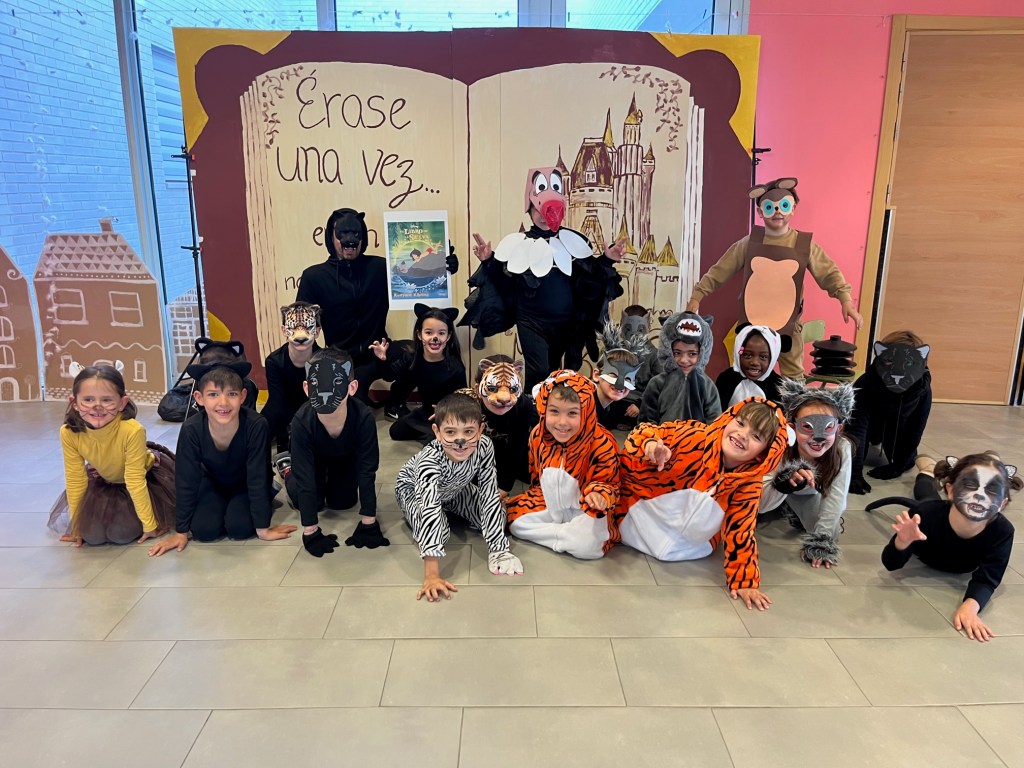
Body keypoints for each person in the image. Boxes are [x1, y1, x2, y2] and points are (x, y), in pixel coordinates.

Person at [617, 398, 791, 609]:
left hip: (691, 550)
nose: (742, 435)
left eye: (756, 436)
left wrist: (744, 582)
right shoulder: (695, 437)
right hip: (634, 521)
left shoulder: (749, 483)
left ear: (764, 452)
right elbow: (642, 431)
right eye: (740, 423)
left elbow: (741, 530)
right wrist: (650, 445)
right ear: (728, 419)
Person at [465, 166, 626, 390]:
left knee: (555, 372)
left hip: (566, 323)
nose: (543, 216)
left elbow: (590, 281)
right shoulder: (519, 243)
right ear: (530, 210)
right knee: (538, 371)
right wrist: (489, 260)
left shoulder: (574, 243)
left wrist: (607, 260)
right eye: (538, 210)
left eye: (550, 209)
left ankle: (551, 410)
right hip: (531, 321)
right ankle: (533, 408)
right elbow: (504, 285)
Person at [685, 177, 863, 378]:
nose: (777, 212)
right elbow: (719, 271)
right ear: (761, 212)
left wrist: (845, 301)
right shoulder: (749, 243)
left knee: (792, 377)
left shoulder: (804, 245)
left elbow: (829, 273)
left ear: (793, 208)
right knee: (747, 372)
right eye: (770, 207)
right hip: (753, 325)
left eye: (784, 206)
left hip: (789, 327)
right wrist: (697, 296)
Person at [296, 207, 457, 403]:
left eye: (355, 234)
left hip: (380, 352)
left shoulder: (381, 269)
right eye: (342, 234)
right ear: (331, 236)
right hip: (341, 359)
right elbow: (301, 324)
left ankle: (395, 403)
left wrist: (441, 266)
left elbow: (417, 278)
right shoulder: (314, 277)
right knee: (355, 409)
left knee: (414, 352)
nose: (349, 241)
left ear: (363, 236)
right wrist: (320, 357)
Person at [149, 351, 296, 555]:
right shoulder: (192, 429)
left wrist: (263, 528)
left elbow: (257, 475)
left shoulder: (256, 425)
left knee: (240, 528)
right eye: (213, 394)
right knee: (204, 531)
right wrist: (181, 531)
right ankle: (219, 507)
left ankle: (262, 500)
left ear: (242, 396)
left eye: (232, 394)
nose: (223, 403)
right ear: (199, 398)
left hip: (245, 483)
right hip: (212, 481)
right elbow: (186, 479)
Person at [871, 452, 1018, 642]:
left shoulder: (1002, 531)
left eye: (991, 490)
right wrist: (902, 542)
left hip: (958, 557)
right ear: (950, 490)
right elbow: (890, 564)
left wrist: (970, 606)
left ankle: (987, 458)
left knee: (928, 497)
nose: (980, 495)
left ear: (1002, 504)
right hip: (932, 516)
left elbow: (989, 578)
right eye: (970, 485)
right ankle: (927, 472)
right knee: (926, 494)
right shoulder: (924, 514)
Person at [396, 390, 524, 601]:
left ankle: (451, 511)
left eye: (468, 431)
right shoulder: (429, 461)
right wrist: (431, 575)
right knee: (440, 532)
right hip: (413, 491)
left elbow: (489, 493)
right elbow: (428, 507)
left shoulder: (484, 446)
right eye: (450, 432)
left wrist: (499, 550)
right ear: (437, 432)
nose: (460, 441)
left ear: (480, 430)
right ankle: (438, 522)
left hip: (455, 488)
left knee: (500, 517)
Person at [49, 362, 176, 546]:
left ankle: (144, 518)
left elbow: (134, 479)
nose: (97, 406)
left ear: (122, 403)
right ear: (74, 403)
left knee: (120, 535)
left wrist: (150, 525)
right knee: (91, 536)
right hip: (106, 480)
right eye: (88, 400)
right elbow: (75, 479)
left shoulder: (132, 430)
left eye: (106, 400)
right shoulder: (68, 432)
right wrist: (76, 527)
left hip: (145, 480)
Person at [281, 348, 388, 557]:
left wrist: (369, 522)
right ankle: (286, 469)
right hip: (313, 461)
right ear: (307, 388)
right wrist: (310, 531)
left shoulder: (363, 417)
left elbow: (367, 470)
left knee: (343, 502)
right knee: (310, 500)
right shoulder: (301, 421)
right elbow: (305, 478)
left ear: (352, 387)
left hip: (344, 458)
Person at [506, 370, 620, 559]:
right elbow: (536, 479)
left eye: (572, 413)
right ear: (544, 408)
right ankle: (566, 535)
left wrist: (599, 495)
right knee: (515, 523)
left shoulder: (602, 442)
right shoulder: (537, 435)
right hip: (549, 504)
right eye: (554, 411)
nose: (562, 422)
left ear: (586, 411)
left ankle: (566, 535)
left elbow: (611, 484)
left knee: (588, 547)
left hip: (584, 511)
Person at [759, 379, 854, 567]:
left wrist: (822, 540)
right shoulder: (781, 444)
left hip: (807, 494)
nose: (817, 438)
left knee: (831, 530)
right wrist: (784, 483)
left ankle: (791, 509)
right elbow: (760, 504)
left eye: (827, 427)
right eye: (808, 427)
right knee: (753, 514)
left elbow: (837, 496)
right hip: (773, 489)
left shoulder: (842, 448)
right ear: (792, 427)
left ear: (839, 429)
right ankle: (784, 505)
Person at [847, 330, 932, 494]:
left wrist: (898, 467)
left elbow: (916, 429)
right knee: (844, 451)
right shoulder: (866, 382)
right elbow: (857, 427)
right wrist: (854, 472)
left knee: (908, 460)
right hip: (871, 422)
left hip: (898, 424)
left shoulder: (922, 388)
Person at [371, 304, 468, 442]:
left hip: (447, 414)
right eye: (429, 333)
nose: (435, 338)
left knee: (434, 442)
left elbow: (463, 398)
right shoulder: (412, 358)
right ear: (419, 335)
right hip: (426, 412)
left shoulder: (455, 366)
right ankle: (428, 432)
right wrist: (382, 360)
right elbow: (389, 376)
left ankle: (435, 434)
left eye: (441, 333)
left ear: (448, 336)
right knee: (396, 432)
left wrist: (447, 411)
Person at [639, 310, 722, 425]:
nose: (683, 360)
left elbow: (715, 424)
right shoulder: (657, 383)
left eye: (692, 354)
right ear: (667, 351)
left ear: (702, 353)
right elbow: (646, 422)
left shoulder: (707, 386)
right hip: (661, 436)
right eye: (677, 353)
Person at [261, 302, 321, 453]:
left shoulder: (324, 361)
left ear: (317, 331)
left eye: (307, 327)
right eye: (293, 328)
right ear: (284, 330)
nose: (300, 335)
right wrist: (283, 441)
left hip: (313, 407)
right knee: (259, 431)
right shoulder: (274, 362)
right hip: (281, 406)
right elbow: (277, 404)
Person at [475, 355, 537, 496]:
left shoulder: (524, 406)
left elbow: (517, 448)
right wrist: (448, 413)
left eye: (513, 389)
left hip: (510, 450)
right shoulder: (469, 404)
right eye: (492, 388)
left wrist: (504, 487)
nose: (504, 398)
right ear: (478, 389)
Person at [592, 323, 649, 430]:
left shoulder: (604, 409)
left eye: (627, 378)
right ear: (597, 375)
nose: (620, 384)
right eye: (613, 375)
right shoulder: (584, 407)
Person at [715, 324, 784, 408]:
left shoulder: (777, 386)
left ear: (772, 359)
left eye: (763, 357)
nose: (755, 362)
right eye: (748, 355)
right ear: (738, 353)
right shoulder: (726, 379)